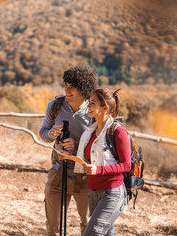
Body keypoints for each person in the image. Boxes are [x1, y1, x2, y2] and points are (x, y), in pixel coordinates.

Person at [39, 65, 98, 236]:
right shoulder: (55, 106)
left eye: (72, 87)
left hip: (86, 176)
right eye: (66, 85)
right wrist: (51, 133)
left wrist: (79, 146)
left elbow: (101, 145)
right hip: (58, 171)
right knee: (52, 226)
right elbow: (43, 133)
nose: (67, 90)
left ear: (84, 89)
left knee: (88, 226)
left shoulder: (93, 111)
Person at [69, 88, 132, 235]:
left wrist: (99, 170)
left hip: (112, 192)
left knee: (93, 233)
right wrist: (68, 155)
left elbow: (126, 165)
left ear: (105, 108)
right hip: (93, 191)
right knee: (107, 233)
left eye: (92, 103)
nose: (88, 107)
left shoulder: (118, 132)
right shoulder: (90, 131)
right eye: (88, 103)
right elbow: (89, 156)